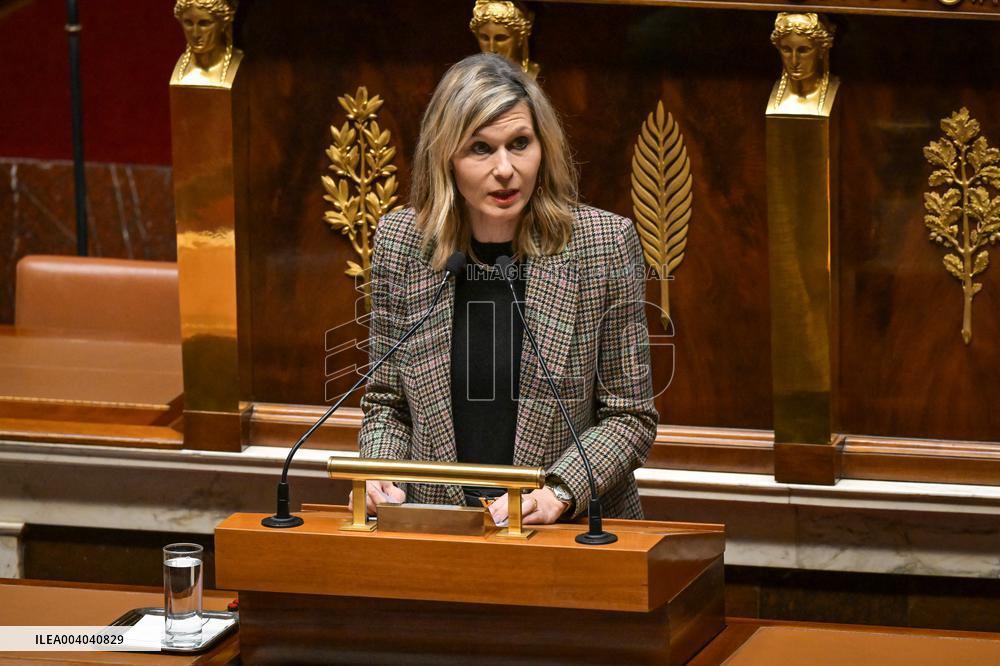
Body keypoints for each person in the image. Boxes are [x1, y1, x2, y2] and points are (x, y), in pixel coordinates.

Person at [351, 53, 657, 526]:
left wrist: (559, 491)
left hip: (571, 533)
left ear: (543, 148)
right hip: (436, 530)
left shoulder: (603, 245)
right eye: (480, 148)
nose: (505, 169)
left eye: (519, 143)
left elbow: (629, 417)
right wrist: (381, 472)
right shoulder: (402, 243)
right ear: (446, 158)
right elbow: (386, 403)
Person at [767, 13, 837, 116]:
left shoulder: (835, 89)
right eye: (786, 50)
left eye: (803, 50)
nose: (794, 61)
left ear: (821, 50)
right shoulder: (770, 92)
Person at [172, 0, 242, 87]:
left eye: (204, 24)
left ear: (223, 24)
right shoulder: (180, 71)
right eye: (188, 23)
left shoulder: (238, 64)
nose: (195, 34)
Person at [469, 0, 540, 79]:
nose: (492, 49)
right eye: (485, 38)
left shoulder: (532, 75)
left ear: (520, 38)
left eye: (501, 38)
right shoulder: (471, 76)